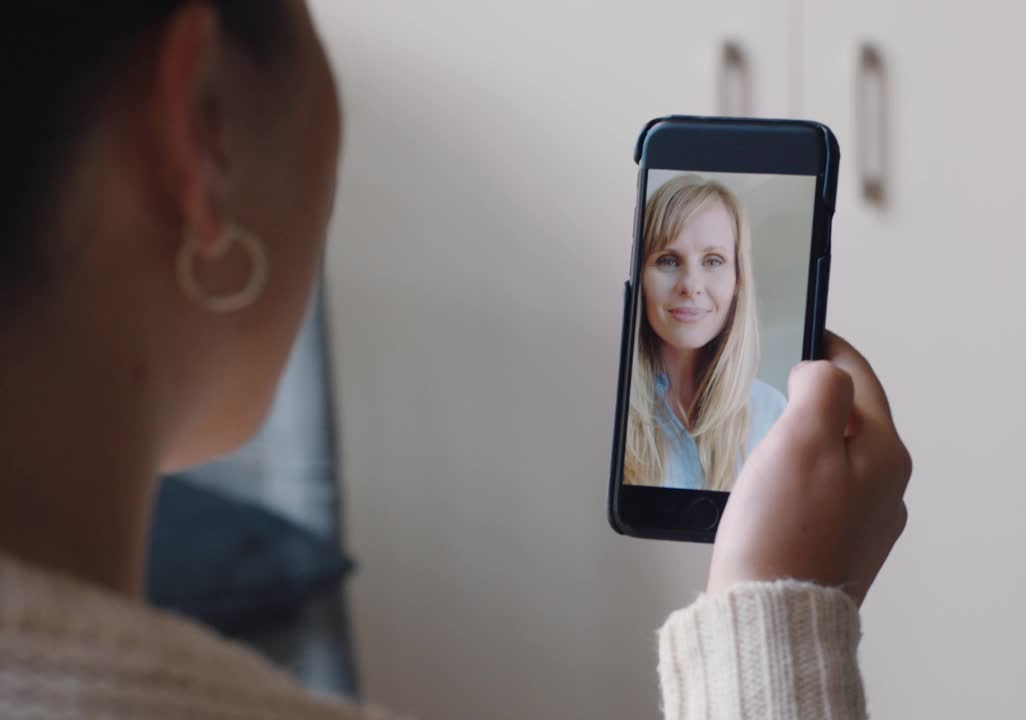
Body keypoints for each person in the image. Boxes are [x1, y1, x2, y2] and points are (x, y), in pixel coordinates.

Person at [0, 3, 912, 719]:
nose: (690, 286)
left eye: (716, 261)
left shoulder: (754, 411)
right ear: (205, 124)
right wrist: (780, 629)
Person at [626, 174, 787, 492]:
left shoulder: (772, 413)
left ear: (738, 280)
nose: (691, 286)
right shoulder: (610, 407)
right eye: (668, 260)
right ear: (639, 277)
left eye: (713, 261)